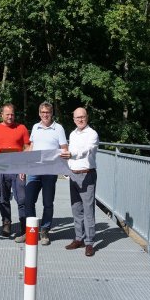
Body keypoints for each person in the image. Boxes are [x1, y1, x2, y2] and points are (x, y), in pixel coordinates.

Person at [22, 102, 68, 245]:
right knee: (29, 201)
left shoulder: (58, 128)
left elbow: (64, 149)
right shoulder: (35, 127)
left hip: (50, 172)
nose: (45, 115)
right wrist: (23, 167)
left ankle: (45, 231)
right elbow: (31, 147)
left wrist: (65, 168)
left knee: (48, 203)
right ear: (39, 113)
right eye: (42, 112)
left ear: (51, 113)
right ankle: (31, 231)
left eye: (47, 112)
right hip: (34, 171)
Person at [0, 103, 30, 239]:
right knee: (4, 198)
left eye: (12, 114)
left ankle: (23, 226)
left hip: (18, 169)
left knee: (21, 199)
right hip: (1, 169)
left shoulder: (21, 128)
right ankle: (6, 223)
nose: (10, 117)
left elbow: (28, 147)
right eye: (7, 114)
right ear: (2, 115)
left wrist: (24, 166)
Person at [62, 107, 99, 257]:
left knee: (88, 210)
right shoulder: (72, 134)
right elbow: (69, 155)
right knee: (76, 209)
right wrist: (67, 169)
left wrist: (72, 155)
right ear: (74, 119)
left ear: (87, 117)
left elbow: (86, 150)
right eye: (77, 117)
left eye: (82, 117)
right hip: (74, 175)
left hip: (87, 174)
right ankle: (79, 238)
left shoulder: (92, 134)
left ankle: (89, 242)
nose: (80, 119)